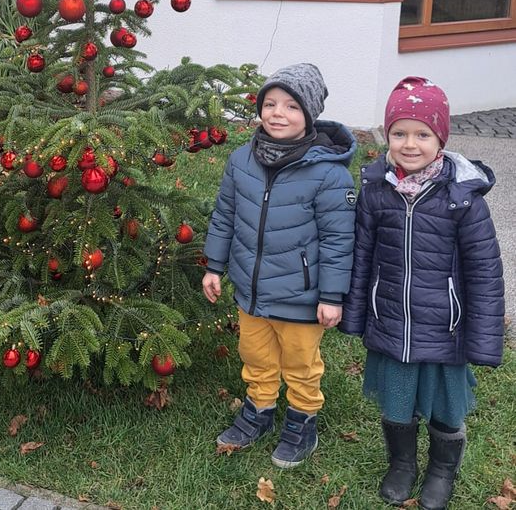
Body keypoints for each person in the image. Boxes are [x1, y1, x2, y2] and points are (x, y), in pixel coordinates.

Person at [340, 77, 504, 510]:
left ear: (440, 139)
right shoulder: (376, 191)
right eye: (399, 133)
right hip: (392, 321)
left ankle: (442, 469)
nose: (409, 144)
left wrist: (484, 339)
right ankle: (402, 464)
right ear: (387, 136)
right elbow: (362, 257)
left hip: (445, 328)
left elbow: (485, 272)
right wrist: (355, 315)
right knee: (397, 400)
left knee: (445, 405)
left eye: (422, 134)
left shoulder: (463, 199)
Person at [202, 63, 356, 468]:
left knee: (300, 363)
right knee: (255, 353)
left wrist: (331, 295)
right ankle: (259, 408)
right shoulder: (241, 160)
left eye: (290, 106)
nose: (277, 113)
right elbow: (224, 215)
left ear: (309, 114)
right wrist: (214, 266)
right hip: (250, 289)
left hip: (301, 295)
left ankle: (303, 419)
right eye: (269, 103)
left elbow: (340, 240)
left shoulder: (328, 174)